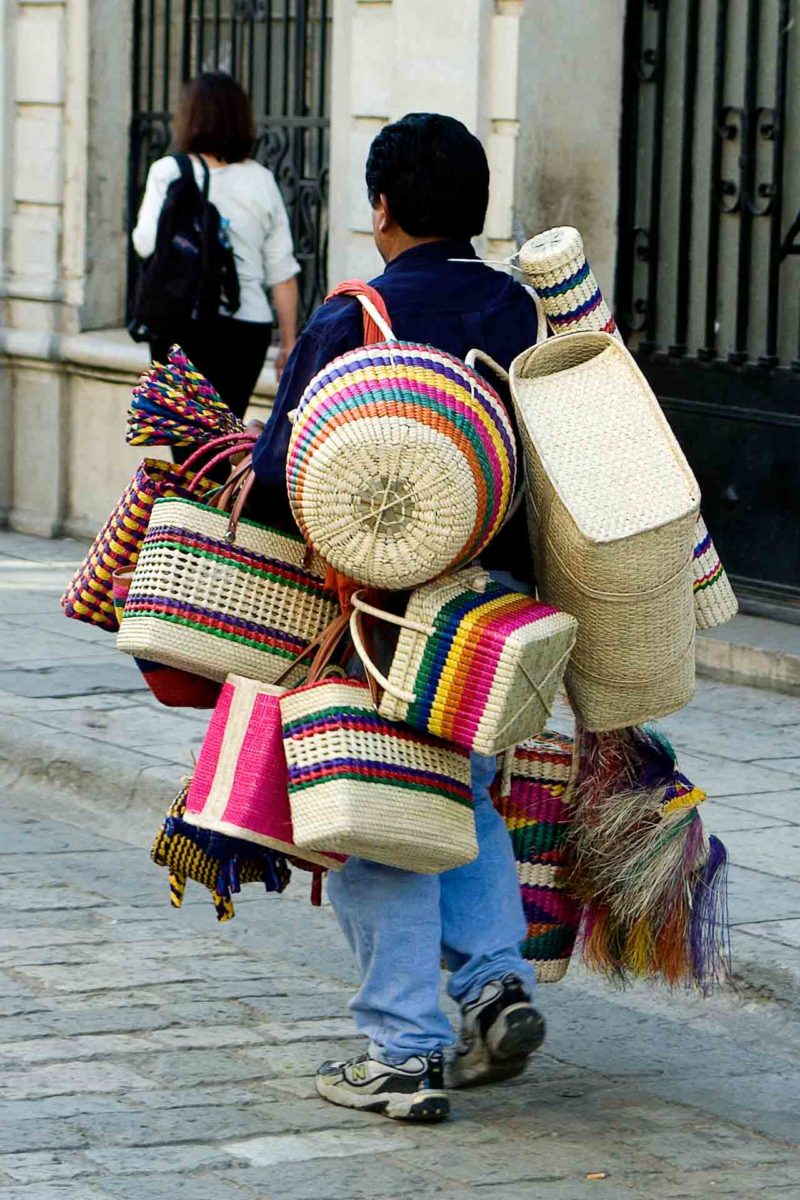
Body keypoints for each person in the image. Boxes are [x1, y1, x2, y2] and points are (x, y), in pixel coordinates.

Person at [249, 113, 543, 1124]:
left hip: (382, 618)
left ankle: (402, 1053)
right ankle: (495, 982)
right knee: (466, 800)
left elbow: (281, 474)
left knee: (380, 818)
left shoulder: (352, 317)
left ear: (380, 209)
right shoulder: (520, 313)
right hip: (499, 611)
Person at [132, 72, 301, 419]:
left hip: (181, 325)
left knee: (188, 447)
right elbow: (282, 271)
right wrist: (288, 344)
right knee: (224, 439)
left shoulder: (168, 172)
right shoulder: (261, 180)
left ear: (189, 117)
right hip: (246, 329)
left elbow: (146, 243)